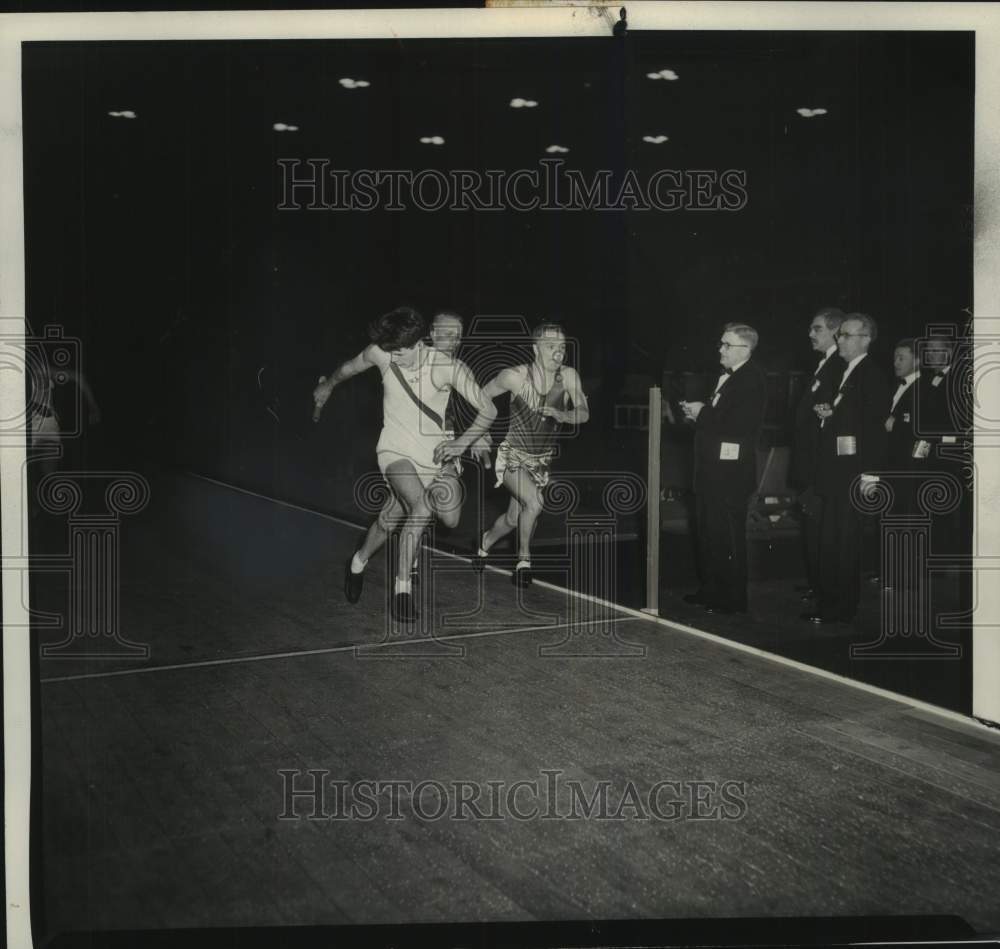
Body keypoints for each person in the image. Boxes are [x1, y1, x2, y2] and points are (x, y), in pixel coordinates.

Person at [312, 306, 497, 623]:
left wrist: (462, 443)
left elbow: (489, 410)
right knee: (421, 509)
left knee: (432, 518)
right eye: (390, 353)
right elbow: (350, 368)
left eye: (399, 353)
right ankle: (402, 592)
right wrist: (328, 385)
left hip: (434, 455)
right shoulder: (382, 353)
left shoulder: (447, 367)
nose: (392, 359)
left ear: (416, 344)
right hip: (394, 449)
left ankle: (357, 562)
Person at [357, 311, 492, 588]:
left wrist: (478, 435)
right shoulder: (405, 354)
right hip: (404, 448)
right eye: (447, 333)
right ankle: (402, 573)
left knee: (448, 518)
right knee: (417, 508)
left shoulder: (454, 367)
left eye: (458, 335)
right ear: (430, 333)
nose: (453, 340)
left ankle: (384, 550)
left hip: (440, 450)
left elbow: (471, 404)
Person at [475, 322, 590, 588]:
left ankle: (485, 542)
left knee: (514, 518)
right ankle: (524, 562)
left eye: (562, 347)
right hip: (512, 455)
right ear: (536, 348)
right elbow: (480, 395)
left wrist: (563, 414)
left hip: (541, 461)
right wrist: (480, 433)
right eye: (551, 347)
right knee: (535, 503)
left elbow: (584, 412)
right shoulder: (514, 376)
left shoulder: (569, 376)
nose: (558, 352)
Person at [805, 312, 889, 625]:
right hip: (837, 472)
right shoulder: (848, 372)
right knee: (833, 540)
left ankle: (840, 608)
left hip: (852, 474)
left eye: (846, 335)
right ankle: (832, 603)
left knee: (843, 542)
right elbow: (849, 420)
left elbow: (874, 429)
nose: (839, 340)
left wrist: (870, 473)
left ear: (865, 340)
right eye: (839, 335)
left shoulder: (871, 374)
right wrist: (828, 415)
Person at [681, 322, 767, 615]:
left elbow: (738, 426)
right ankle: (711, 589)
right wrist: (701, 413)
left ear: (745, 349)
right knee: (710, 531)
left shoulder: (751, 380)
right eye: (721, 343)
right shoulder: (727, 378)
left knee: (727, 535)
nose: (720, 349)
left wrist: (702, 411)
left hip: (729, 474)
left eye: (726, 345)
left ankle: (731, 598)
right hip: (712, 471)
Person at [789, 307, 845, 602]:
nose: (811, 334)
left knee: (821, 525)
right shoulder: (825, 364)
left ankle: (825, 585)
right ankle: (817, 581)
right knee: (812, 523)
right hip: (808, 459)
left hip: (819, 461)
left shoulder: (838, 365)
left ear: (836, 331)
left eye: (817, 328)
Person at [884, 338, 924, 517]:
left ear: (917, 360)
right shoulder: (892, 385)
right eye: (894, 358)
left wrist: (896, 424)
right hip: (890, 463)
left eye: (901, 358)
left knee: (906, 516)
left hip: (909, 467)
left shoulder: (925, 388)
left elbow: (923, 429)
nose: (895, 363)